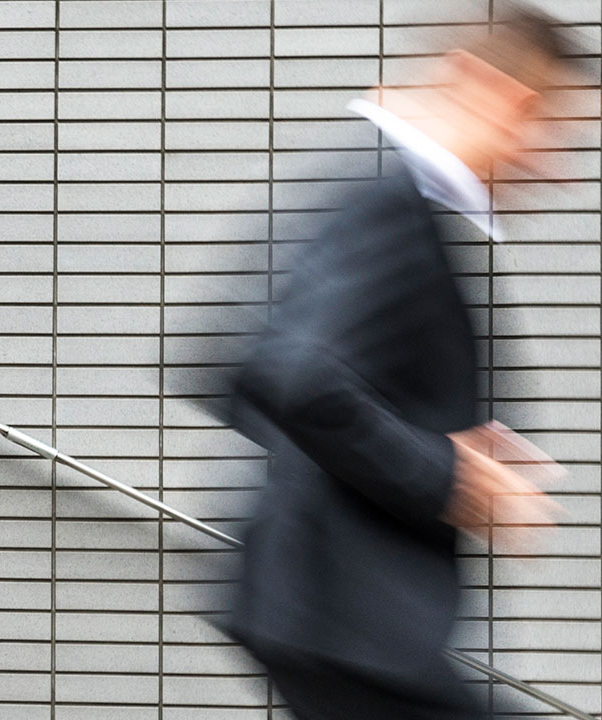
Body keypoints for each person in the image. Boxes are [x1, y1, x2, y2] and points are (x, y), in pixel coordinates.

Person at [225, 5, 577, 719]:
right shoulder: (387, 196)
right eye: (553, 129)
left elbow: (237, 360)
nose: (555, 168)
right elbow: (289, 373)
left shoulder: (379, 188)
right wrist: (449, 476)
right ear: (496, 93)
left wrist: (431, 441)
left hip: (333, 621)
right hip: (346, 625)